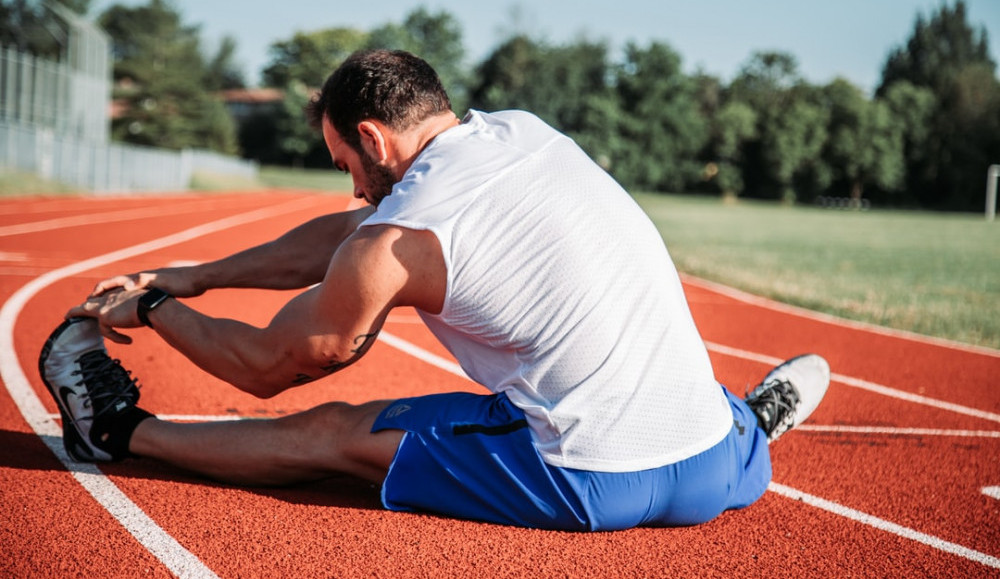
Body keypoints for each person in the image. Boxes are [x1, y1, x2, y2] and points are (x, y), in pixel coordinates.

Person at [39, 49, 829, 531]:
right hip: (710, 467)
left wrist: (153, 306)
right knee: (662, 369)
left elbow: (269, 364)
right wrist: (196, 275)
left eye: (345, 164)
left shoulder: (395, 239)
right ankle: (751, 425)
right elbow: (350, 236)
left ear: (374, 140)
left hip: (586, 474)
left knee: (332, 433)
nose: (350, 187)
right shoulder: (520, 132)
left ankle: (116, 432)